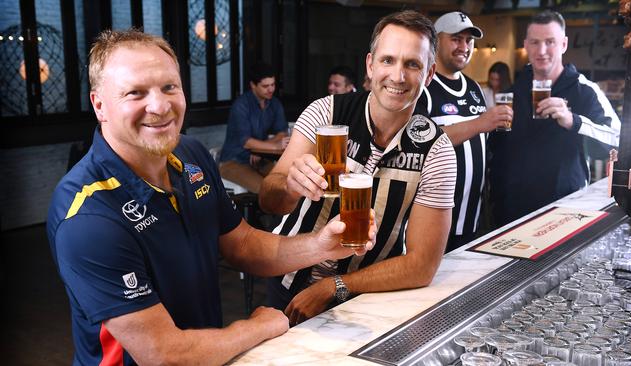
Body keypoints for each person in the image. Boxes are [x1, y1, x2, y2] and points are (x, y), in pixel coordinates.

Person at [46, 29, 375, 365]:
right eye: (135, 93)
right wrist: (258, 327)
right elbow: (164, 354)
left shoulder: (190, 153)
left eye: (169, 87)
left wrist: (321, 245)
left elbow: (242, 245)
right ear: (99, 105)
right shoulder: (87, 217)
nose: (159, 106)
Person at [259, 10, 457, 325]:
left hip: (366, 299)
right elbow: (269, 199)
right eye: (388, 60)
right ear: (370, 64)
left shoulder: (436, 150)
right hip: (287, 281)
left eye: (412, 64)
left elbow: (422, 266)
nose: (398, 76)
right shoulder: (327, 113)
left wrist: (334, 286)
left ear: (430, 73)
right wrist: (289, 185)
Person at [488, 10, 620, 228]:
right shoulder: (512, 92)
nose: (541, 51)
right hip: (511, 216)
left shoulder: (584, 90)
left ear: (564, 44)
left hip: (564, 213)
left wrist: (573, 121)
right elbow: (498, 150)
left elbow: (617, 138)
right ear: (526, 45)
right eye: (535, 42)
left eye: (550, 42)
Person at [416, 11, 512, 252]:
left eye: (469, 40)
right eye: (456, 39)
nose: (464, 46)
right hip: (433, 220)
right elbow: (420, 141)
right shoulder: (423, 86)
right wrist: (480, 123)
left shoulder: (473, 88)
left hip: (473, 218)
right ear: (436, 41)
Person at [219, 63, 289, 193]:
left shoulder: (274, 103)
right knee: (266, 189)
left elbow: (282, 133)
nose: (271, 89)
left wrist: (260, 149)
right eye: (265, 86)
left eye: (273, 85)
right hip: (233, 162)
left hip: (259, 159)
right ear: (253, 85)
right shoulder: (241, 105)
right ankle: (261, 214)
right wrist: (273, 147)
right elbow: (246, 142)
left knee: (284, 181)